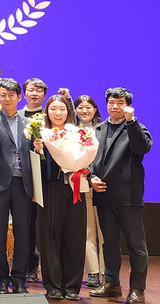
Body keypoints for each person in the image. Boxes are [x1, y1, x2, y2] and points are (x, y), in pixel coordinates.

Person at [89, 88, 152, 304]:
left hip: (128, 195)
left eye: (120, 102)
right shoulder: (98, 129)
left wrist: (131, 121)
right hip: (103, 193)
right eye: (111, 102)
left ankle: (137, 289)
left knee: (136, 245)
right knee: (109, 243)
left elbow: (142, 148)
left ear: (128, 105)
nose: (115, 106)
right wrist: (90, 177)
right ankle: (111, 283)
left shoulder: (135, 127)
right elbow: (89, 158)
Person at [32, 95, 85, 301]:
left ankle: (72, 286)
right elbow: (34, 165)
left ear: (68, 111)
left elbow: (87, 159)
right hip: (50, 188)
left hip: (75, 187)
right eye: (53, 109)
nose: (58, 113)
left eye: (62, 109)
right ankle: (53, 286)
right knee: (50, 236)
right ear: (47, 112)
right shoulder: (40, 134)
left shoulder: (77, 133)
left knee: (75, 237)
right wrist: (39, 151)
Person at [0, 78, 34, 294]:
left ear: (19, 97)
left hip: (23, 182)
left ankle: (19, 279)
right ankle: (2, 279)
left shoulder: (30, 122)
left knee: (23, 233)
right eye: (2, 95)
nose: (7, 99)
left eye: (11, 95)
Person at [74, 95, 105, 288]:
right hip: (81, 184)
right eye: (80, 107)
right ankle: (93, 271)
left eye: (88, 107)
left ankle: (107, 271)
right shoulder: (70, 132)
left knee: (105, 231)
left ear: (95, 109)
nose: (84, 111)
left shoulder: (103, 129)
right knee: (87, 230)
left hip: (102, 184)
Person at [20, 76, 47, 282]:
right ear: (24, 94)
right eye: (31, 90)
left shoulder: (51, 115)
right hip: (22, 176)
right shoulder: (16, 116)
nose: (34, 93)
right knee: (27, 224)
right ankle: (29, 265)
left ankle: (50, 268)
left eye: (39, 90)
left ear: (44, 95)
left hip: (47, 176)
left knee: (47, 224)